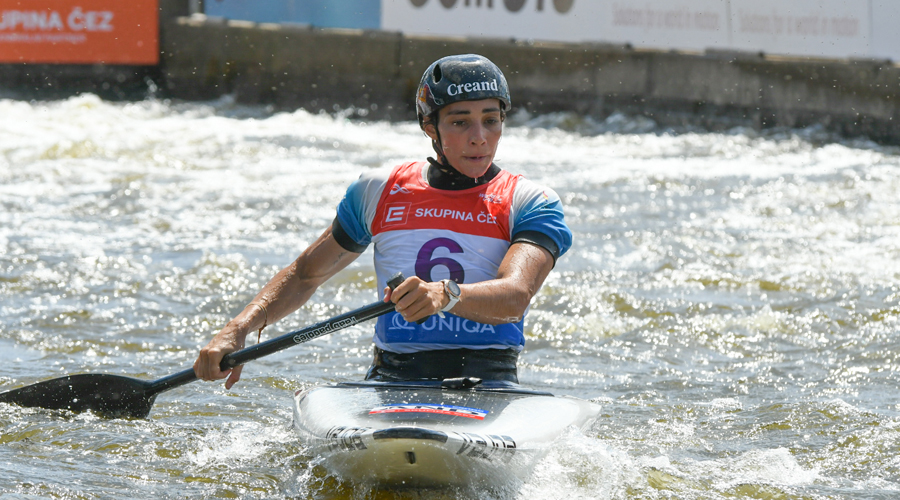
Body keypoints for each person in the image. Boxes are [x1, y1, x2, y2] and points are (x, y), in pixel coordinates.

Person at [194, 54, 572, 388]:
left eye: (491, 120)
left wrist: (445, 295)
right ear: (430, 128)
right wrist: (237, 329)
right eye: (460, 123)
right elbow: (306, 274)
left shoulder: (530, 201)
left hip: (490, 379)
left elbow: (516, 295)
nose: (479, 138)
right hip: (392, 377)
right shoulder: (379, 190)